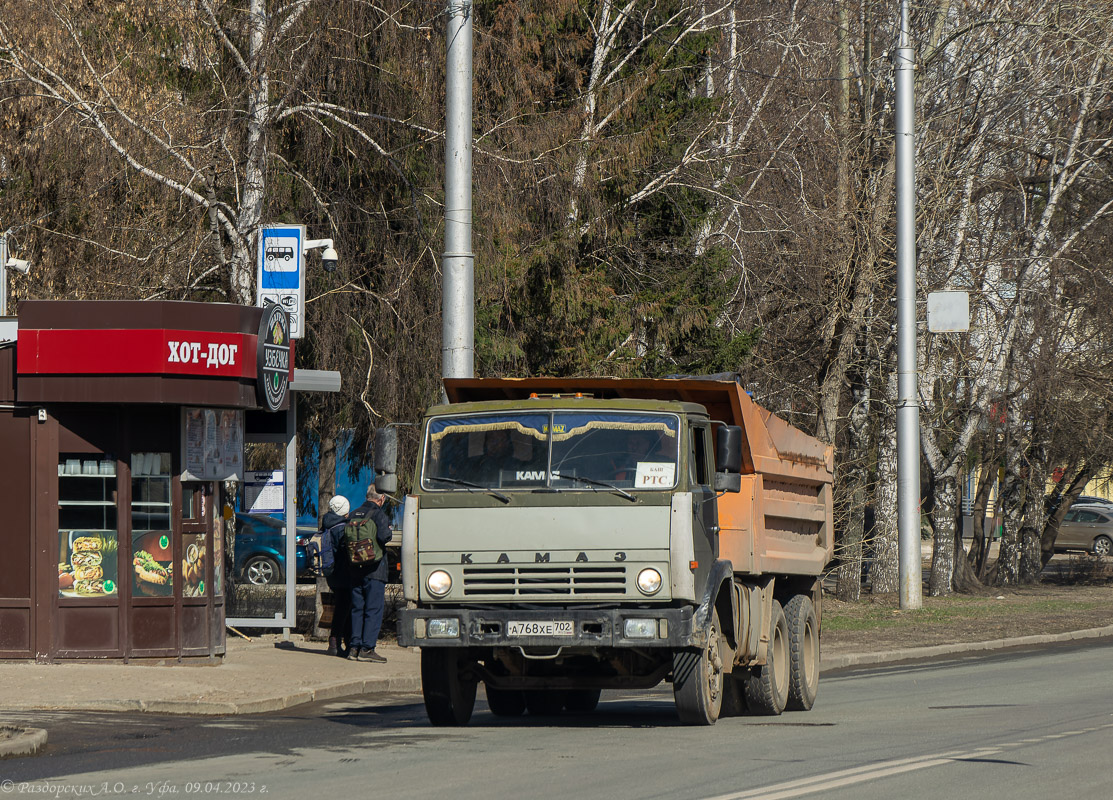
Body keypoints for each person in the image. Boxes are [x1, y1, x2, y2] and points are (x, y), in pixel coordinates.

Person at [348, 485, 393, 663]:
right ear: (381, 499)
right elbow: (385, 537)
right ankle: (367, 649)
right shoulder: (379, 514)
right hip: (375, 570)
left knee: (357, 609)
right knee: (373, 610)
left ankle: (354, 647)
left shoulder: (353, 514)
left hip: (355, 568)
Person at [321, 495, 352, 657]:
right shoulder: (341, 528)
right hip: (343, 574)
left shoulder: (327, 523)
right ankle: (335, 642)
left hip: (331, 573)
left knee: (343, 607)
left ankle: (342, 642)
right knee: (344, 608)